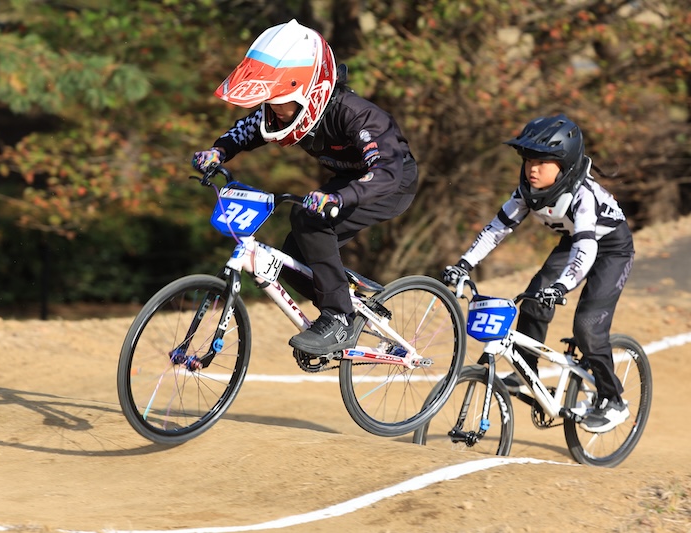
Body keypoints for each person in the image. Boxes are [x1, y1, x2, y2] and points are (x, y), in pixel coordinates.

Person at [192, 19, 418, 355]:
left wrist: (340, 197)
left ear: (312, 92)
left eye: (280, 99)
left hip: (391, 184)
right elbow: (245, 130)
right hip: (348, 183)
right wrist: (218, 151)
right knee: (292, 259)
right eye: (270, 100)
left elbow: (386, 171)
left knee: (307, 220)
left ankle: (338, 318)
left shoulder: (356, 115)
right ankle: (348, 300)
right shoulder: (280, 112)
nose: (275, 110)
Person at [442, 114, 635, 433]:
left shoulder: (583, 197)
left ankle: (613, 400)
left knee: (588, 326)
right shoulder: (526, 192)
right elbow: (495, 231)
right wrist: (464, 264)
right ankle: (524, 372)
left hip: (611, 248)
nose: (532, 168)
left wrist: (563, 286)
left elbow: (586, 250)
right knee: (533, 300)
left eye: (542, 162)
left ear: (565, 164)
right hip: (573, 242)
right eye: (529, 159)